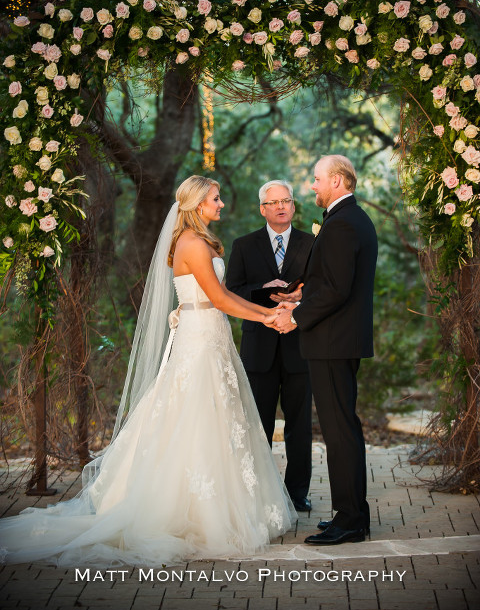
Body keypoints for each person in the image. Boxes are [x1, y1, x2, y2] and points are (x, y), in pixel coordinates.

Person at [0, 176, 296, 567]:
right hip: (201, 339)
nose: (221, 204)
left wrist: (266, 312)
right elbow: (220, 297)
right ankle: (194, 513)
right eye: (215, 198)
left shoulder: (198, 240)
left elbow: (215, 298)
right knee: (196, 417)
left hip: (210, 336)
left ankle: (220, 505)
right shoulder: (191, 243)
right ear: (196, 203)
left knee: (217, 419)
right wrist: (270, 316)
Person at [274, 156, 378, 546]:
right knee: (341, 428)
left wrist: (296, 316)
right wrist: (301, 294)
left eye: (316, 179)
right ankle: (352, 515)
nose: (312, 186)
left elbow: (336, 290)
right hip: (338, 340)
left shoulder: (343, 223)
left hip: (332, 342)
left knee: (339, 431)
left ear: (337, 180)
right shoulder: (350, 219)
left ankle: (350, 521)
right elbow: (334, 281)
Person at [226, 180, 314, 512]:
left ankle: (297, 493)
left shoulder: (312, 243)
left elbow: (320, 290)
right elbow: (232, 290)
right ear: (263, 208)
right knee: (257, 425)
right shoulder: (244, 245)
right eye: (273, 202)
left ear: (293, 206)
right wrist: (265, 288)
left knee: (299, 426)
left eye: (286, 201)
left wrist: (298, 296)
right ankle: (258, 494)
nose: (280, 207)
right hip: (258, 348)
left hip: (300, 347)